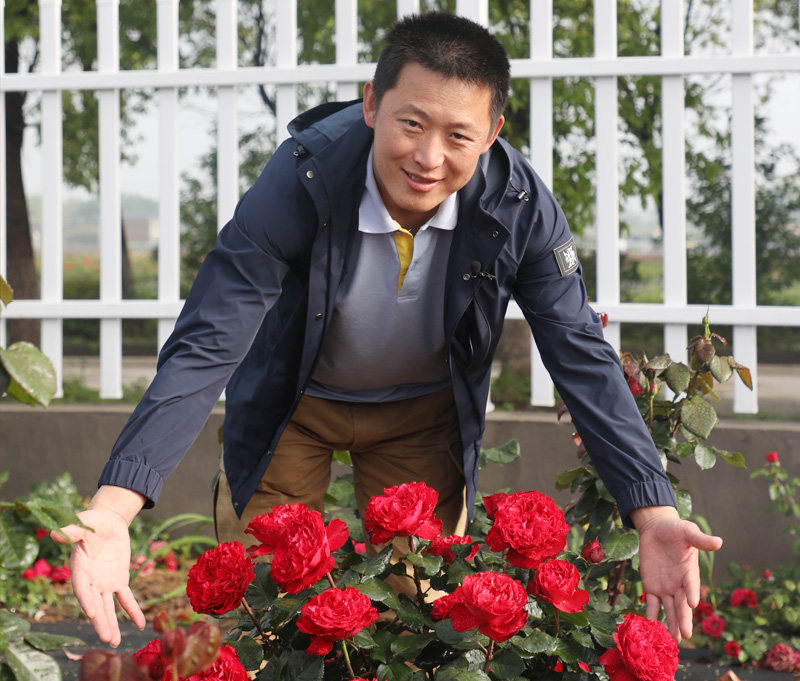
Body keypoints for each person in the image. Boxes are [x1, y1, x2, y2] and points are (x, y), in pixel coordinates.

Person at [55, 12, 721, 648]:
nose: (429, 158)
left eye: (459, 136)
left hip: (420, 415)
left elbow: (580, 352)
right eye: (411, 123)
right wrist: (116, 505)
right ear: (372, 103)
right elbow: (209, 339)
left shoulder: (519, 209)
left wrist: (652, 508)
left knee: (423, 610)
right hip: (294, 408)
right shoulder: (300, 178)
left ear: (491, 133)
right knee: (265, 601)